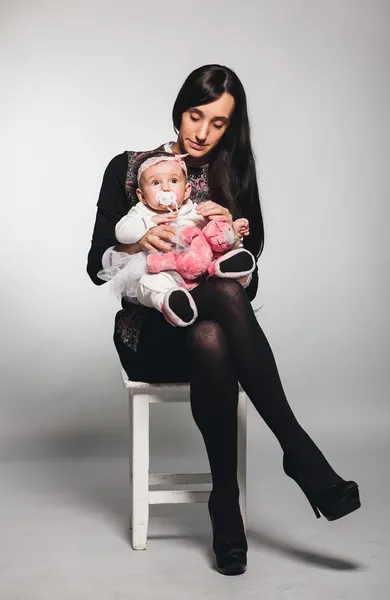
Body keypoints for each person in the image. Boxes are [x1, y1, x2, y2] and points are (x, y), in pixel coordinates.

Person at [87, 64, 361, 576]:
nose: (203, 133)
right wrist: (135, 243)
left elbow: (246, 275)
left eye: (218, 124)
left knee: (216, 328)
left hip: (212, 322)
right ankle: (298, 454)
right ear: (179, 109)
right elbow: (94, 267)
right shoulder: (128, 169)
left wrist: (224, 235)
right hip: (150, 330)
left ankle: (225, 505)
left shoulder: (232, 175)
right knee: (222, 314)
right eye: (196, 116)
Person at [97, 150, 255, 327]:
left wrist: (231, 228)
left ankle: (220, 270)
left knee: (212, 237)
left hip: (198, 274)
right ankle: (171, 302)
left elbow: (211, 233)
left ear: (187, 191)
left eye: (173, 181)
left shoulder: (194, 209)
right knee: (150, 283)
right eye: (156, 183)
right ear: (141, 196)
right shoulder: (142, 211)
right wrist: (148, 224)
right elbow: (121, 231)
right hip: (161, 268)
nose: (165, 188)